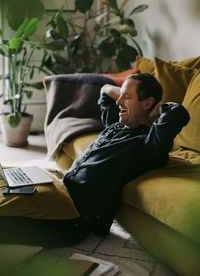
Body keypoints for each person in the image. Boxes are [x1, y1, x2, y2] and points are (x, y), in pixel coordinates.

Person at [63, 73, 190, 237]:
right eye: (121, 96)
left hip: (76, 217)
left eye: (127, 97)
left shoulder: (147, 145)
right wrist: (127, 95)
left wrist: (156, 110)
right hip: (63, 194)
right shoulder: (116, 125)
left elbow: (178, 112)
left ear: (148, 103)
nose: (118, 102)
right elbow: (105, 90)